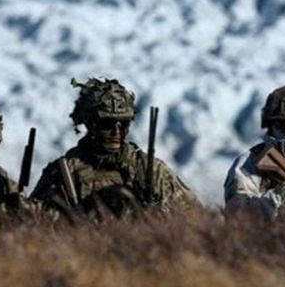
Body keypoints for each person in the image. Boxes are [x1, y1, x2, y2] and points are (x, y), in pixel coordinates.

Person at [30, 78, 198, 218]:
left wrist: (158, 216)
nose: (117, 132)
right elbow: (37, 224)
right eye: (107, 124)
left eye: (123, 124)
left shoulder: (150, 170)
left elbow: (194, 215)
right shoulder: (64, 172)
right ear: (90, 124)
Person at [224, 85, 285, 219]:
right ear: (270, 124)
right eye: (281, 123)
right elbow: (236, 213)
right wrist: (278, 196)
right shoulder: (249, 162)